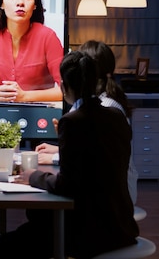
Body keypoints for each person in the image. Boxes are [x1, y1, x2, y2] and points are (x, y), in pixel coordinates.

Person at [0, 51, 139, 259]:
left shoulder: (72, 121)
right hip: (121, 227)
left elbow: (67, 186)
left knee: (0, 247)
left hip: (89, 233)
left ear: (64, 88)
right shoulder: (116, 115)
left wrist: (32, 176)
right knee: (36, 220)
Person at [35, 40, 139, 204]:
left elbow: (96, 159)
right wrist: (59, 148)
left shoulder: (104, 108)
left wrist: (55, 157)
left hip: (111, 196)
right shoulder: (93, 103)